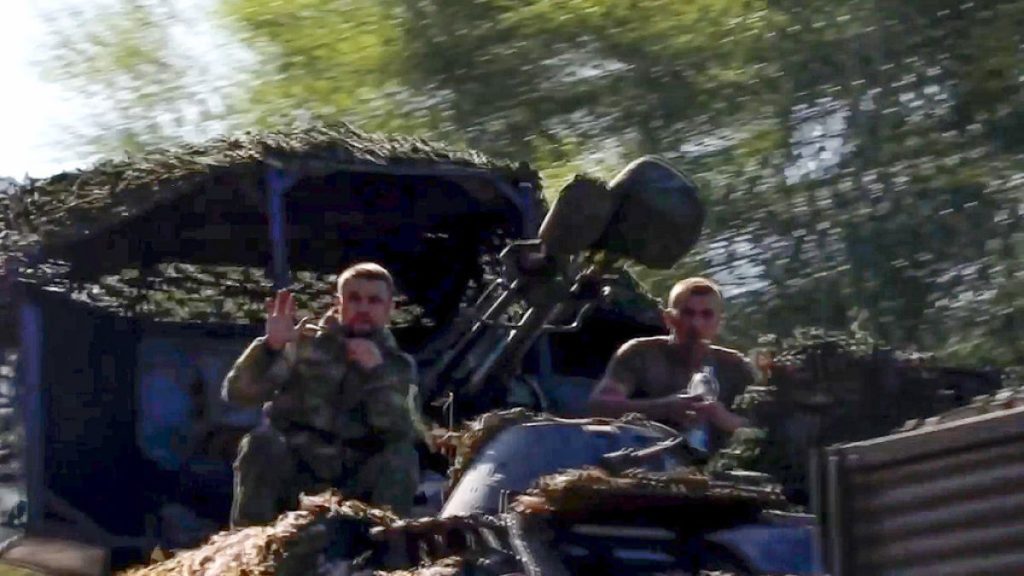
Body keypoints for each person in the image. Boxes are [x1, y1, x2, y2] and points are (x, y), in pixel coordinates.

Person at [222, 262, 421, 527]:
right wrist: (271, 347)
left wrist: (377, 374)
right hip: (297, 470)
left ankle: (386, 554)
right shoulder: (303, 344)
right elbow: (237, 393)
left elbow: (402, 430)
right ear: (338, 303)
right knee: (260, 443)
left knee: (403, 457)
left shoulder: (399, 365)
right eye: (354, 299)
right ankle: (247, 550)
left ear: (389, 309)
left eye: (374, 301)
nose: (363, 308)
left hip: (356, 478)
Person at [587, 276, 758, 455]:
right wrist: (663, 407)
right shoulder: (640, 354)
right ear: (669, 318)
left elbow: (765, 428)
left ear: (719, 322)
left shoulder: (735, 366)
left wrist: (723, 418)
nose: (696, 324)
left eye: (706, 315)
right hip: (645, 455)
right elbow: (600, 406)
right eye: (687, 313)